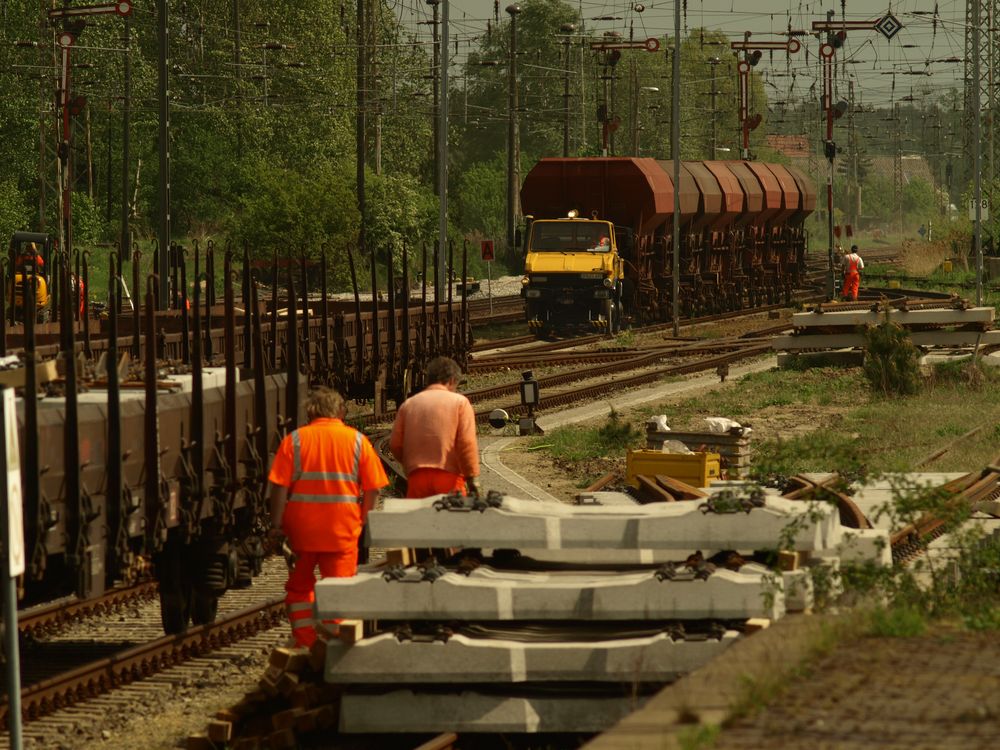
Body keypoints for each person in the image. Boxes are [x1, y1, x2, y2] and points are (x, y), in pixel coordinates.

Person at [267, 387, 388, 647]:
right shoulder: (356, 441)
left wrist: (275, 525)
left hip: (301, 531)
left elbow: (278, 487)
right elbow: (374, 488)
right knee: (339, 589)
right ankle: (335, 645)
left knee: (299, 589)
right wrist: (363, 519)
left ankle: (305, 641)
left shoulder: (295, 441)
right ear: (340, 411)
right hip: (342, 530)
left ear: (310, 411)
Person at [390, 356, 481, 499]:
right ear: (451, 381)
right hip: (450, 479)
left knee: (421, 520)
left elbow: (395, 444)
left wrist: (411, 465)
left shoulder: (408, 405)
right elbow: (466, 443)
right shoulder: (460, 403)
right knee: (450, 519)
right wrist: (472, 478)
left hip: (416, 479)